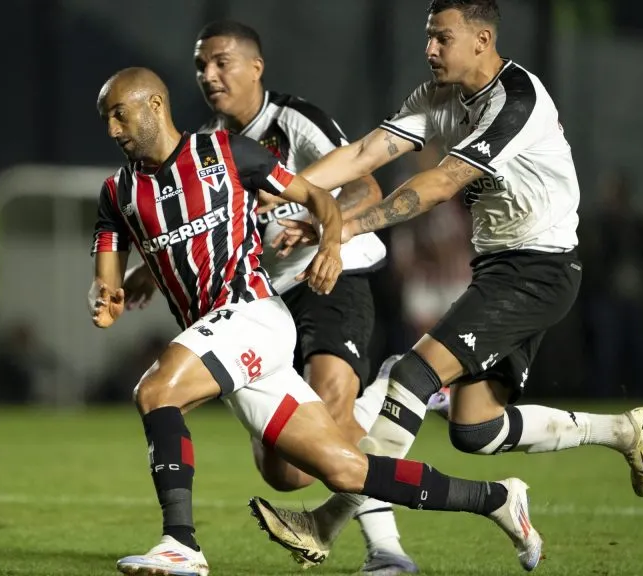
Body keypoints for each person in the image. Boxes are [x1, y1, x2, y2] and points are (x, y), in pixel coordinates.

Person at [246, 0, 643, 570]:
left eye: (442, 38)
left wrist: (338, 227)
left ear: (482, 39)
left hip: (539, 269)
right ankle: (620, 430)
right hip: (501, 268)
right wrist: (289, 188)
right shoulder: (437, 99)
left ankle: (326, 521)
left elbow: (440, 184)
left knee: (412, 375)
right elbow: (366, 152)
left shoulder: (518, 101)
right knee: (476, 429)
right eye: (428, 38)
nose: (429, 50)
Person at [92, 66, 543, 576]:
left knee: (155, 392)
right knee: (341, 470)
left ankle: (181, 544)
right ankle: (496, 499)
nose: (112, 129)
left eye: (119, 114)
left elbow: (319, 197)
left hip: (253, 314)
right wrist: (104, 300)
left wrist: (330, 244)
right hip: (227, 340)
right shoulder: (116, 195)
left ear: (154, 105)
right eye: (106, 118)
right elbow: (105, 279)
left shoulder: (226, 153)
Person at [116, 20, 439, 574]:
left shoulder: (294, 120)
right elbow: (195, 220)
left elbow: (365, 186)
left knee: (333, 411)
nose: (209, 75)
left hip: (332, 276)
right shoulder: (208, 143)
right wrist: (148, 269)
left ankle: (387, 553)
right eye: (200, 66)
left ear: (255, 67)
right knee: (287, 473)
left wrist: (322, 233)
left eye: (221, 62)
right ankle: (396, 390)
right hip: (263, 300)